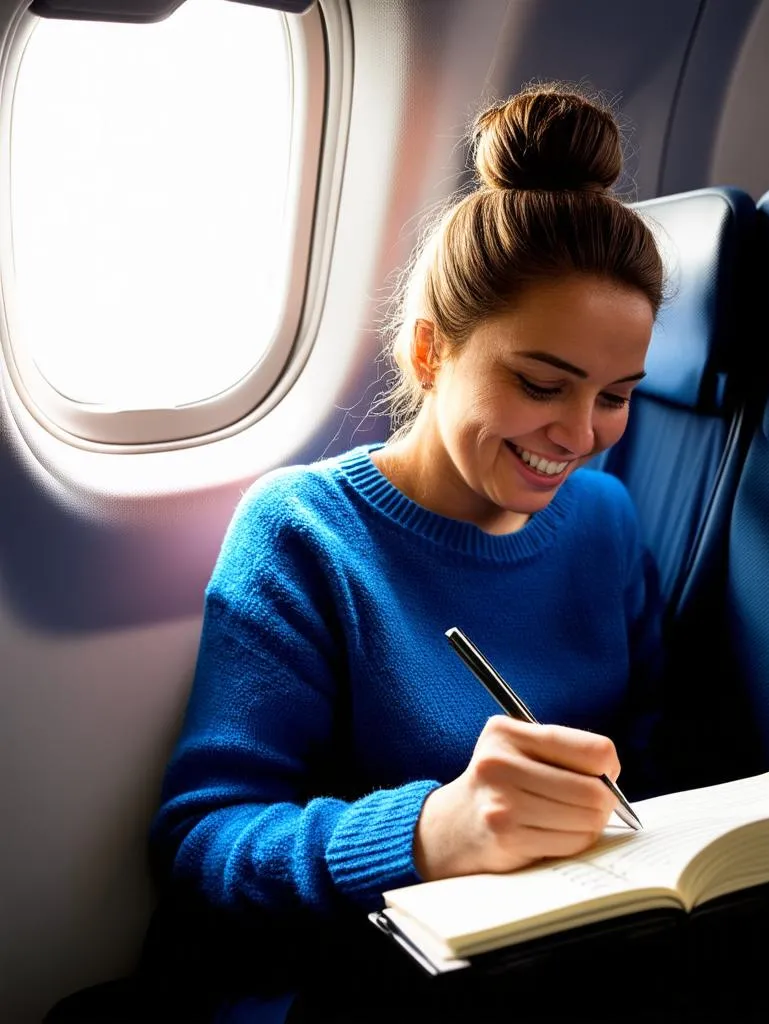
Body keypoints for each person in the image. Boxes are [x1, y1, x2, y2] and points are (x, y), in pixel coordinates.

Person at [145, 81, 671, 1023]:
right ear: (431, 353)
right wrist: (428, 833)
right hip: (357, 980)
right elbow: (203, 843)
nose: (583, 434)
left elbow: (657, 748)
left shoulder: (604, 519)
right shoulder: (305, 531)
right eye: (543, 384)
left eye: (616, 394)